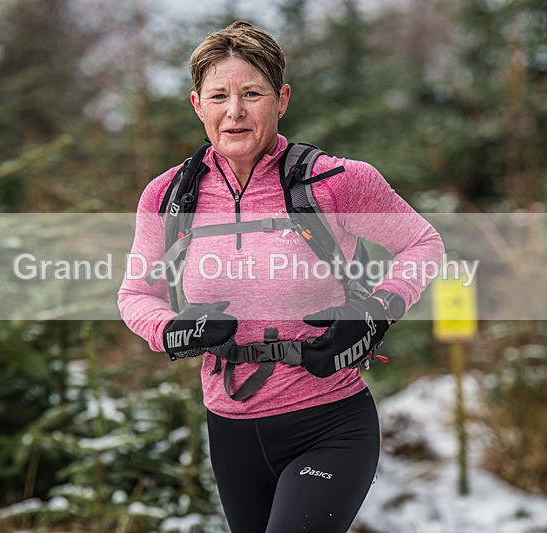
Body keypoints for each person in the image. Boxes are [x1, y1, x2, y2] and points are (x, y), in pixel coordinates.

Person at [118, 21, 444, 533]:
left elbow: (423, 245)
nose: (235, 112)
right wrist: (169, 329)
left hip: (329, 422)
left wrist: (376, 312)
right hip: (229, 428)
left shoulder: (337, 181)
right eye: (219, 96)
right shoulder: (167, 197)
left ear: (282, 98)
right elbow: (138, 292)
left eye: (252, 94)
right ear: (196, 104)